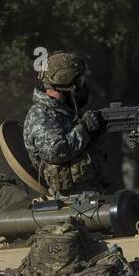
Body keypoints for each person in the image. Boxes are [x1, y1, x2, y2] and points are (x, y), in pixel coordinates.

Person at [22, 51, 107, 195]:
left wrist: (96, 131)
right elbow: (56, 151)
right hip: (67, 199)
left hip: (88, 190)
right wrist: (84, 129)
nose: (82, 87)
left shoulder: (64, 110)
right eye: (79, 82)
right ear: (64, 81)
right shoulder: (41, 114)